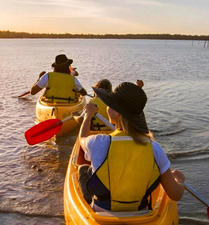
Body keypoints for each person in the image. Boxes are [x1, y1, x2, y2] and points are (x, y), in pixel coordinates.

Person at [78, 81, 184, 212]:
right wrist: (179, 180)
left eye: (110, 105)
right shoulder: (155, 149)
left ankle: (87, 203)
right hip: (141, 213)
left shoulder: (98, 142)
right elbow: (175, 194)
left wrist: (88, 116)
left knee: (83, 168)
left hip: (102, 213)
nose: (107, 107)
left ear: (117, 113)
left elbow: (81, 139)